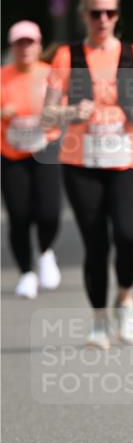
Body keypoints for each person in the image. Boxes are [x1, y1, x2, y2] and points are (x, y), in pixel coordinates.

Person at [43, 0, 133, 348]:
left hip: (127, 158)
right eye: (96, 13)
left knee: (128, 236)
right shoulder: (66, 56)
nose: (103, 19)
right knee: (95, 244)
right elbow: (48, 113)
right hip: (81, 161)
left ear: (117, 15)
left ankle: (124, 299)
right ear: (83, 16)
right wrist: (71, 111)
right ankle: (98, 320)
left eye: (110, 12)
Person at [1, 20, 62, 299]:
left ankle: (46, 250)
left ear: (39, 46)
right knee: (19, 215)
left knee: (49, 212)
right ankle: (26, 273)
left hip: (45, 149)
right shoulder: (3, 77)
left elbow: (66, 109)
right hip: (11, 153)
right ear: (12, 46)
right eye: (19, 43)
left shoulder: (51, 75)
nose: (24, 48)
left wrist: (53, 113)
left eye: (30, 42)